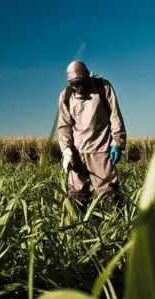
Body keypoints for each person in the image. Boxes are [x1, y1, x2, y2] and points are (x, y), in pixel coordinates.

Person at [57, 60, 127, 207]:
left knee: (109, 194)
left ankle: (113, 227)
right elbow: (64, 126)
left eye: (81, 82)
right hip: (77, 153)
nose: (79, 87)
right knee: (77, 195)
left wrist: (118, 143)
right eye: (74, 84)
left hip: (101, 151)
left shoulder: (103, 87)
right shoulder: (66, 96)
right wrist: (66, 150)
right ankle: (80, 228)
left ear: (88, 77)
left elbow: (115, 116)